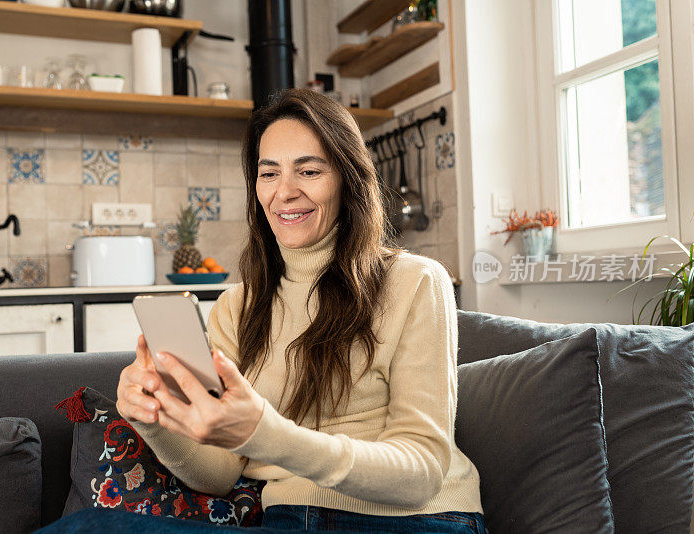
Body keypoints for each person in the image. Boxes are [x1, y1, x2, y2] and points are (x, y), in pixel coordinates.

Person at [39, 88, 486, 533]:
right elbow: (218, 473)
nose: (285, 192)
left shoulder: (416, 282)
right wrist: (154, 420)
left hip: (421, 520)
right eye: (268, 173)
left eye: (308, 171)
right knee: (91, 527)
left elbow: (423, 471)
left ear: (348, 180)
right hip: (289, 520)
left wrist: (268, 434)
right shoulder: (239, 307)